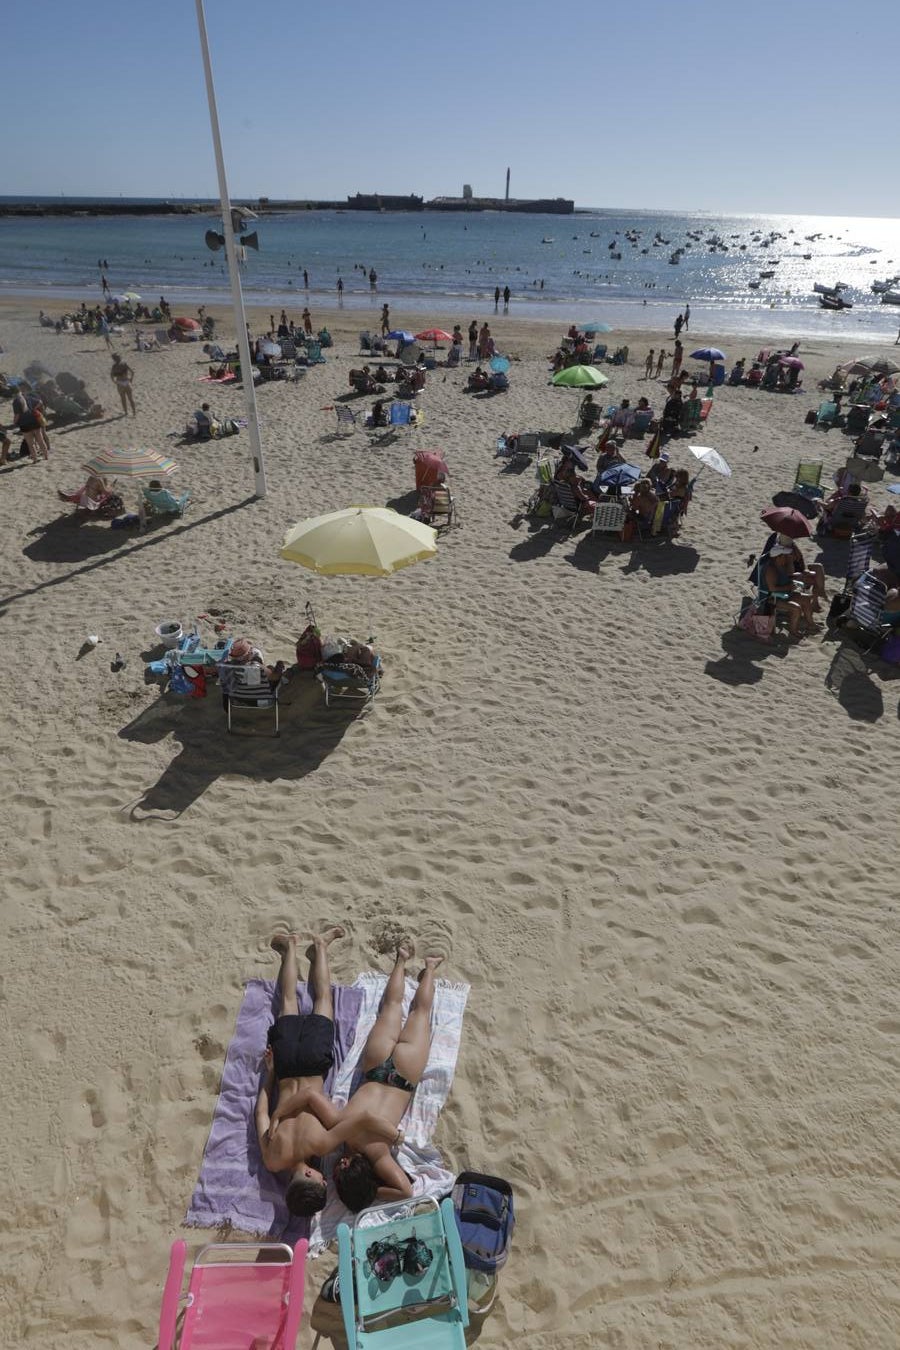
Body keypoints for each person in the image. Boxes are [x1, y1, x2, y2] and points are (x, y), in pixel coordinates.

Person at [255, 927, 395, 1218]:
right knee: (288, 1002)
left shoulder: (322, 1144)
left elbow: (359, 1119)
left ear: (308, 1174)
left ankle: (320, 945)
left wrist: (395, 1136)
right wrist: (270, 1074)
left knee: (323, 1000)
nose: (325, 1177)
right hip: (284, 1069)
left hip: (313, 1065)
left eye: (321, 1181)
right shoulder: (271, 1159)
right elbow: (260, 1113)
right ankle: (290, 947)